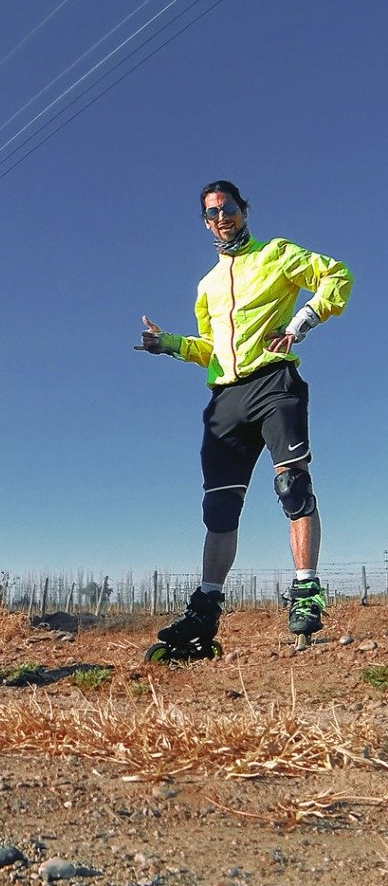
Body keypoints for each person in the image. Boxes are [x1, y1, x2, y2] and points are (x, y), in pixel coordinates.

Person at [138, 179, 352, 649]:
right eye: (212, 213)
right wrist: (169, 344)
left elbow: (336, 275)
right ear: (205, 222)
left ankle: (306, 590)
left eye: (228, 208)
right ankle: (206, 610)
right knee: (219, 508)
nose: (221, 218)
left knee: (292, 484)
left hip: (274, 383)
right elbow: (213, 348)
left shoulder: (275, 253)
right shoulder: (207, 285)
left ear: (244, 210)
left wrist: (302, 322)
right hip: (226, 400)